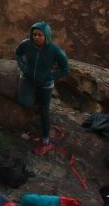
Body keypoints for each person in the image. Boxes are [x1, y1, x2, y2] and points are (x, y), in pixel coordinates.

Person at [15, 21, 69, 155]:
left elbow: (65, 69)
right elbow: (18, 54)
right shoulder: (26, 44)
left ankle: (46, 141)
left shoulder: (55, 51)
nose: (36, 37)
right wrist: (23, 67)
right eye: (34, 34)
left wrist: (51, 76)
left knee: (44, 111)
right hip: (27, 79)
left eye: (40, 35)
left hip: (45, 84)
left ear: (47, 36)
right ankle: (34, 117)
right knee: (24, 102)